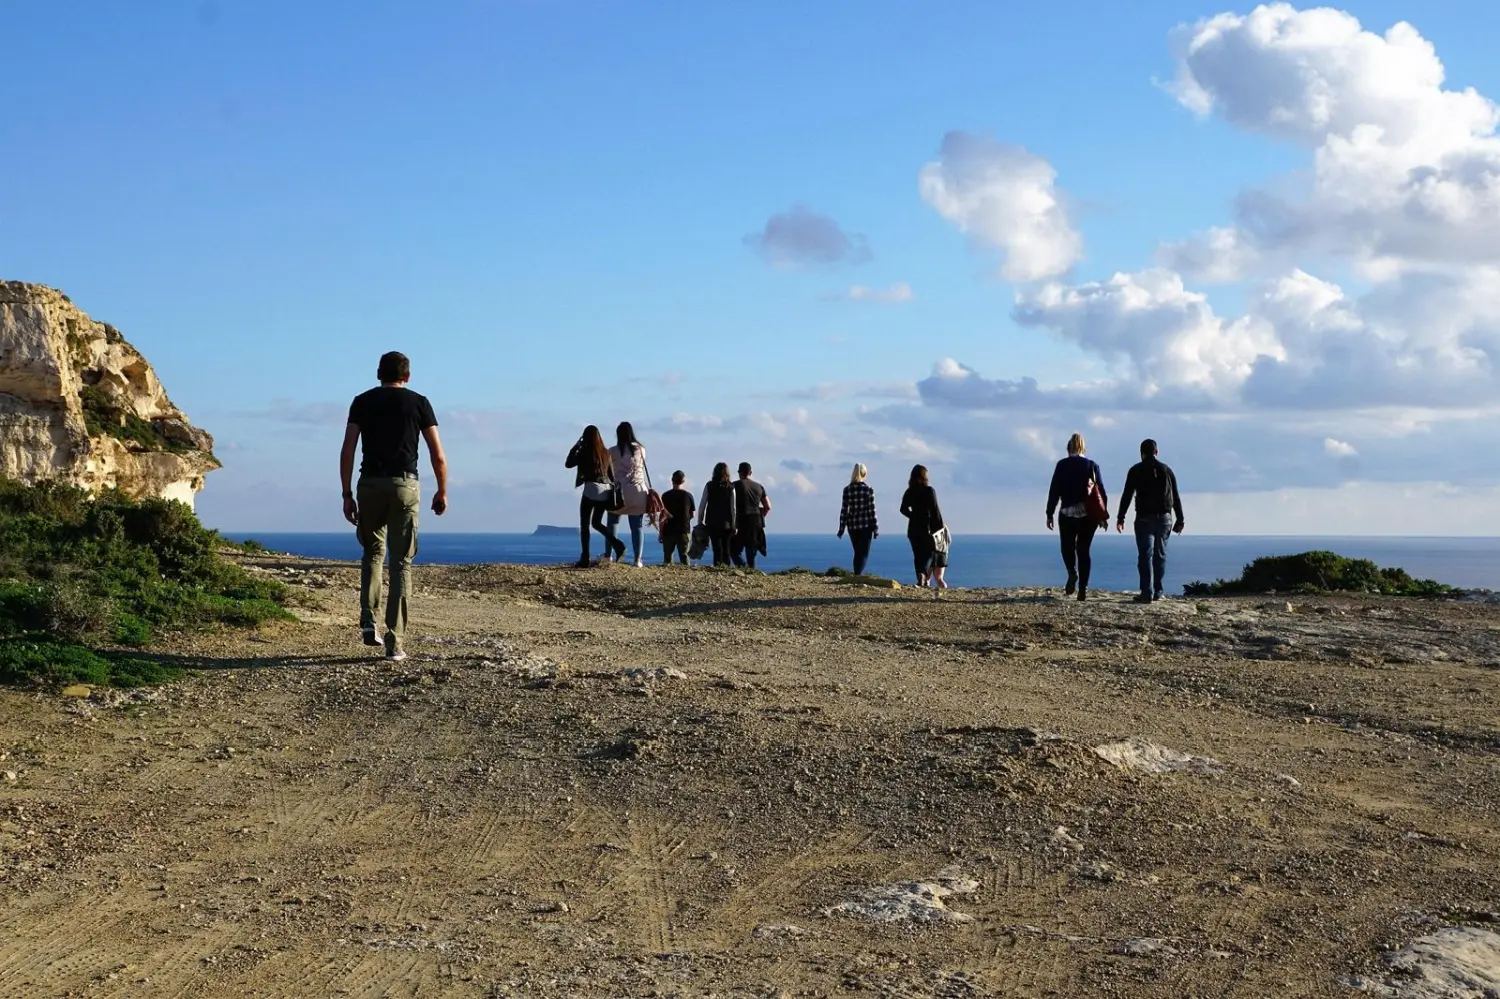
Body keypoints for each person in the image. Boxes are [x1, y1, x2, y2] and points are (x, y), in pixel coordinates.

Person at [339, 351, 448, 662]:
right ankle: (394, 640)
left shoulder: (361, 401)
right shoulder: (419, 403)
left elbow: (348, 450)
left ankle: (368, 620)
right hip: (404, 485)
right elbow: (436, 454)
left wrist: (347, 493)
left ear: (378, 374)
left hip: (369, 483)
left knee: (372, 553)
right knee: (400, 562)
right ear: (408, 376)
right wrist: (442, 490)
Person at [1116, 438, 1185, 603]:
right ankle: (1159, 592)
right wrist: (1180, 519)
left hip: (1144, 518)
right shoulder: (1167, 470)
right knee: (1160, 554)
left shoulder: (1135, 470)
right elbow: (1175, 496)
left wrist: (1121, 517)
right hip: (1165, 518)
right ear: (1156, 452)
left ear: (1141, 453)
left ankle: (1146, 592)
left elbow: (1127, 495)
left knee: (1145, 555)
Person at [1046, 432, 1107, 601]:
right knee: (1084, 550)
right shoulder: (1092, 466)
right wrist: (1102, 515)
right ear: (1083, 449)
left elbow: (1054, 491)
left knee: (1067, 546)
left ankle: (1072, 572)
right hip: (1089, 514)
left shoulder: (1062, 465)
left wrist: (1049, 513)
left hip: (1067, 512)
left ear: (1068, 448)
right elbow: (1100, 491)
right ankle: (1083, 590)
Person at [567, 425, 626, 568]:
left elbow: (568, 464)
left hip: (591, 489)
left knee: (585, 524)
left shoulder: (584, 451)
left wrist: (575, 446)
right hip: (605, 490)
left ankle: (585, 558)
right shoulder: (606, 453)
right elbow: (611, 475)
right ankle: (617, 544)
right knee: (597, 523)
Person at [607, 421, 652, 567]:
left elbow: (607, 470)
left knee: (612, 522)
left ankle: (609, 555)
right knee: (637, 526)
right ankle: (638, 559)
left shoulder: (612, 451)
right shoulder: (641, 450)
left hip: (619, 492)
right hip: (638, 492)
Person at [900, 464, 947, 593]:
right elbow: (935, 510)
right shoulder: (929, 491)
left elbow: (903, 509)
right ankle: (923, 574)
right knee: (929, 553)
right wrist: (940, 527)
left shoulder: (909, 491)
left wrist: (913, 516)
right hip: (927, 527)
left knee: (917, 554)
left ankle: (920, 576)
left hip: (913, 528)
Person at [838, 463, 878, 576]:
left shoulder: (847, 490)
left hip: (852, 526)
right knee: (863, 553)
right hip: (865, 526)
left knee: (858, 552)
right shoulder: (868, 490)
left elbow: (844, 510)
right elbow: (872, 510)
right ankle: (857, 575)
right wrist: (875, 528)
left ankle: (857, 574)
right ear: (864, 474)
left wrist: (841, 529)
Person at [731, 462, 771, 569]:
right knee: (751, 553)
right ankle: (751, 572)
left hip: (740, 520)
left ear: (739, 473)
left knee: (734, 551)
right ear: (751, 472)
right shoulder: (759, 487)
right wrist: (761, 517)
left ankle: (742, 568)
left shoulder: (734, 485)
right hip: (755, 521)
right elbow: (768, 506)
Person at [698, 462, 738, 566]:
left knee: (717, 548)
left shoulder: (709, 486)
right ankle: (726, 569)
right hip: (727, 523)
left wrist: (700, 522)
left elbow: (702, 505)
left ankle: (717, 568)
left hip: (712, 522)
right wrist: (734, 525)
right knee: (726, 549)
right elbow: (733, 508)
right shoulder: (731, 487)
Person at [660, 470, 696, 566]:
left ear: (672, 480)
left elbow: (662, 516)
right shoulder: (688, 496)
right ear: (683, 481)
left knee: (667, 558)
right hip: (684, 530)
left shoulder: (665, 496)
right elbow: (692, 514)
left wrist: (660, 532)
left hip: (668, 530)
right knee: (684, 557)